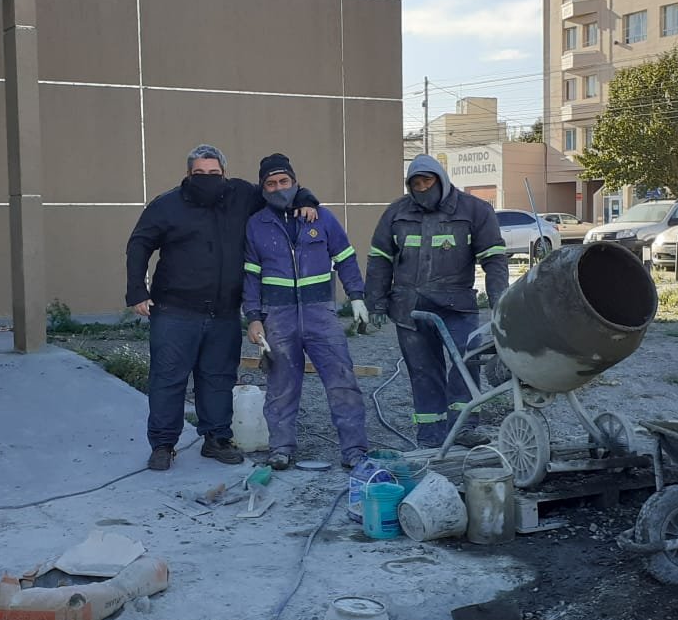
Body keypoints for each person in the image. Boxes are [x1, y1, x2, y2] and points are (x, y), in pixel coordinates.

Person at [126, 144, 319, 470]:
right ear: (188, 174)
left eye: (213, 173)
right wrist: (136, 291)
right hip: (174, 312)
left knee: (218, 378)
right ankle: (163, 445)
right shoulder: (167, 205)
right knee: (168, 379)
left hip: (224, 312)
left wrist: (306, 200)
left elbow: (277, 191)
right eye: (199, 173)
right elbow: (139, 243)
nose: (207, 178)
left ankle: (216, 439)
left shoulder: (241, 195)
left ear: (224, 173)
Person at [364, 154, 509, 449]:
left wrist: (499, 301)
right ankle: (430, 434)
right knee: (423, 372)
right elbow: (379, 259)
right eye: (415, 184)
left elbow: (494, 258)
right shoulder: (396, 213)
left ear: (441, 180)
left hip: (456, 306)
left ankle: (464, 427)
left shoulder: (474, 210)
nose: (422, 188)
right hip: (410, 309)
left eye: (427, 181)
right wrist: (375, 302)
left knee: (465, 364)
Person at [243, 153, 370, 471]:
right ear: (263, 188)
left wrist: (356, 296)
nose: (279, 188)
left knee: (342, 382)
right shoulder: (256, 225)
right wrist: (254, 318)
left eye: (284, 181)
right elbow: (251, 276)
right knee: (281, 387)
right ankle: (281, 448)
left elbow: (345, 257)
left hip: (320, 315)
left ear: (295, 182)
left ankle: (354, 450)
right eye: (271, 184)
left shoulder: (321, 218)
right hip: (278, 318)